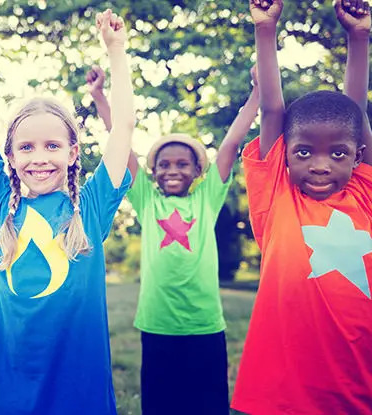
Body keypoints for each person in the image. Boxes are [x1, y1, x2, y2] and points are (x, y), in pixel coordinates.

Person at [0, 1, 135, 413]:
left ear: (73, 153)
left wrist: (116, 50)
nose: (40, 157)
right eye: (26, 147)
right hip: (6, 378)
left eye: (52, 146)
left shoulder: (90, 207)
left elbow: (124, 126)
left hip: (75, 378)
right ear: (10, 157)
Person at [87, 62, 260, 414]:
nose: (172, 171)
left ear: (198, 171)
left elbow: (230, 144)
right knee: (161, 403)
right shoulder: (147, 199)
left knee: (208, 404)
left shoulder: (207, 197)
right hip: (157, 324)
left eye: (183, 164)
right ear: (153, 171)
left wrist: (258, 92)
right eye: (164, 165)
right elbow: (118, 138)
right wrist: (99, 97)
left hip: (204, 325)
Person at [232, 0, 372, 413]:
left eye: (337, 154)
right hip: (283, 394)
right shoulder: (278, 196)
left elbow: (356, 113)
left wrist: (360, 37)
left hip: (359, 388)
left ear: (357, 155)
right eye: (303, 152)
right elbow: (272, 110)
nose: (319, 165)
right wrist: (265, 28)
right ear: (286, 154)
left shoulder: (369, 194)